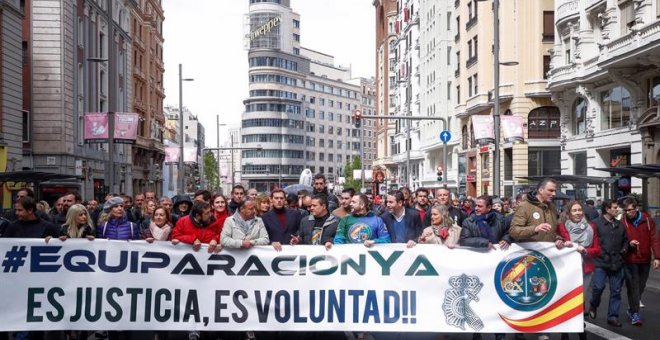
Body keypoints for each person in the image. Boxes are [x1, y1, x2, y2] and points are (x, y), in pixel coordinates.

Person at [557, 200, 601, 340]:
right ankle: (565, 331)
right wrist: (561, 243)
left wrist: (585, 250)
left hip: (585, 268)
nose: (578, 213)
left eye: (579, 210)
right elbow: (556, 243)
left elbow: (597, 249)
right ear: (569, 213)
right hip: (567, 270)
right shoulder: (561, 227)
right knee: (567, 298)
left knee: (580, 300)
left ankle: (579, 326)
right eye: (574, 210)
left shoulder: (591, 227)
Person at [620, 197, 660, 325]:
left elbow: (654, 239)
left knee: (641, 286)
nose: (627, 212)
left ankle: (632, 308)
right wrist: (629, 243)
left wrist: (657, 257)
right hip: (630, 259)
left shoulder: (647, 220)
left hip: (645, 258)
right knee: (633, 286)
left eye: (630, 210)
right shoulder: (623, 222)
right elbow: (620, 240)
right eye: (625, 210)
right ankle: (635, 314)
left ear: (636, 209)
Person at [589, 199, 628, 328]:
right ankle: (593, 305)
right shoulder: (595, 224)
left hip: (617, 262)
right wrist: (599, 253)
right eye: (615, 207)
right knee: (598, 287)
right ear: (607, 209)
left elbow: (625, 240)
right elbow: (590, 241)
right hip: (601, 262)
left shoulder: (620, 224)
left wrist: (624, 249)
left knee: (616, 291)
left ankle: (612, 317)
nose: (617, 209)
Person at [510, 179, 562, 244]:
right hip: (530, 252)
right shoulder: (524, 206)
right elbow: (514, 231)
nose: (554, 194)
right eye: (550, 190)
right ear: (540, 190)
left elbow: (554, 231)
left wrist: (558, 239)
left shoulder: (552, 207)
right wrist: (535, 229)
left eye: (555, 191)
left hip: (548, 253)